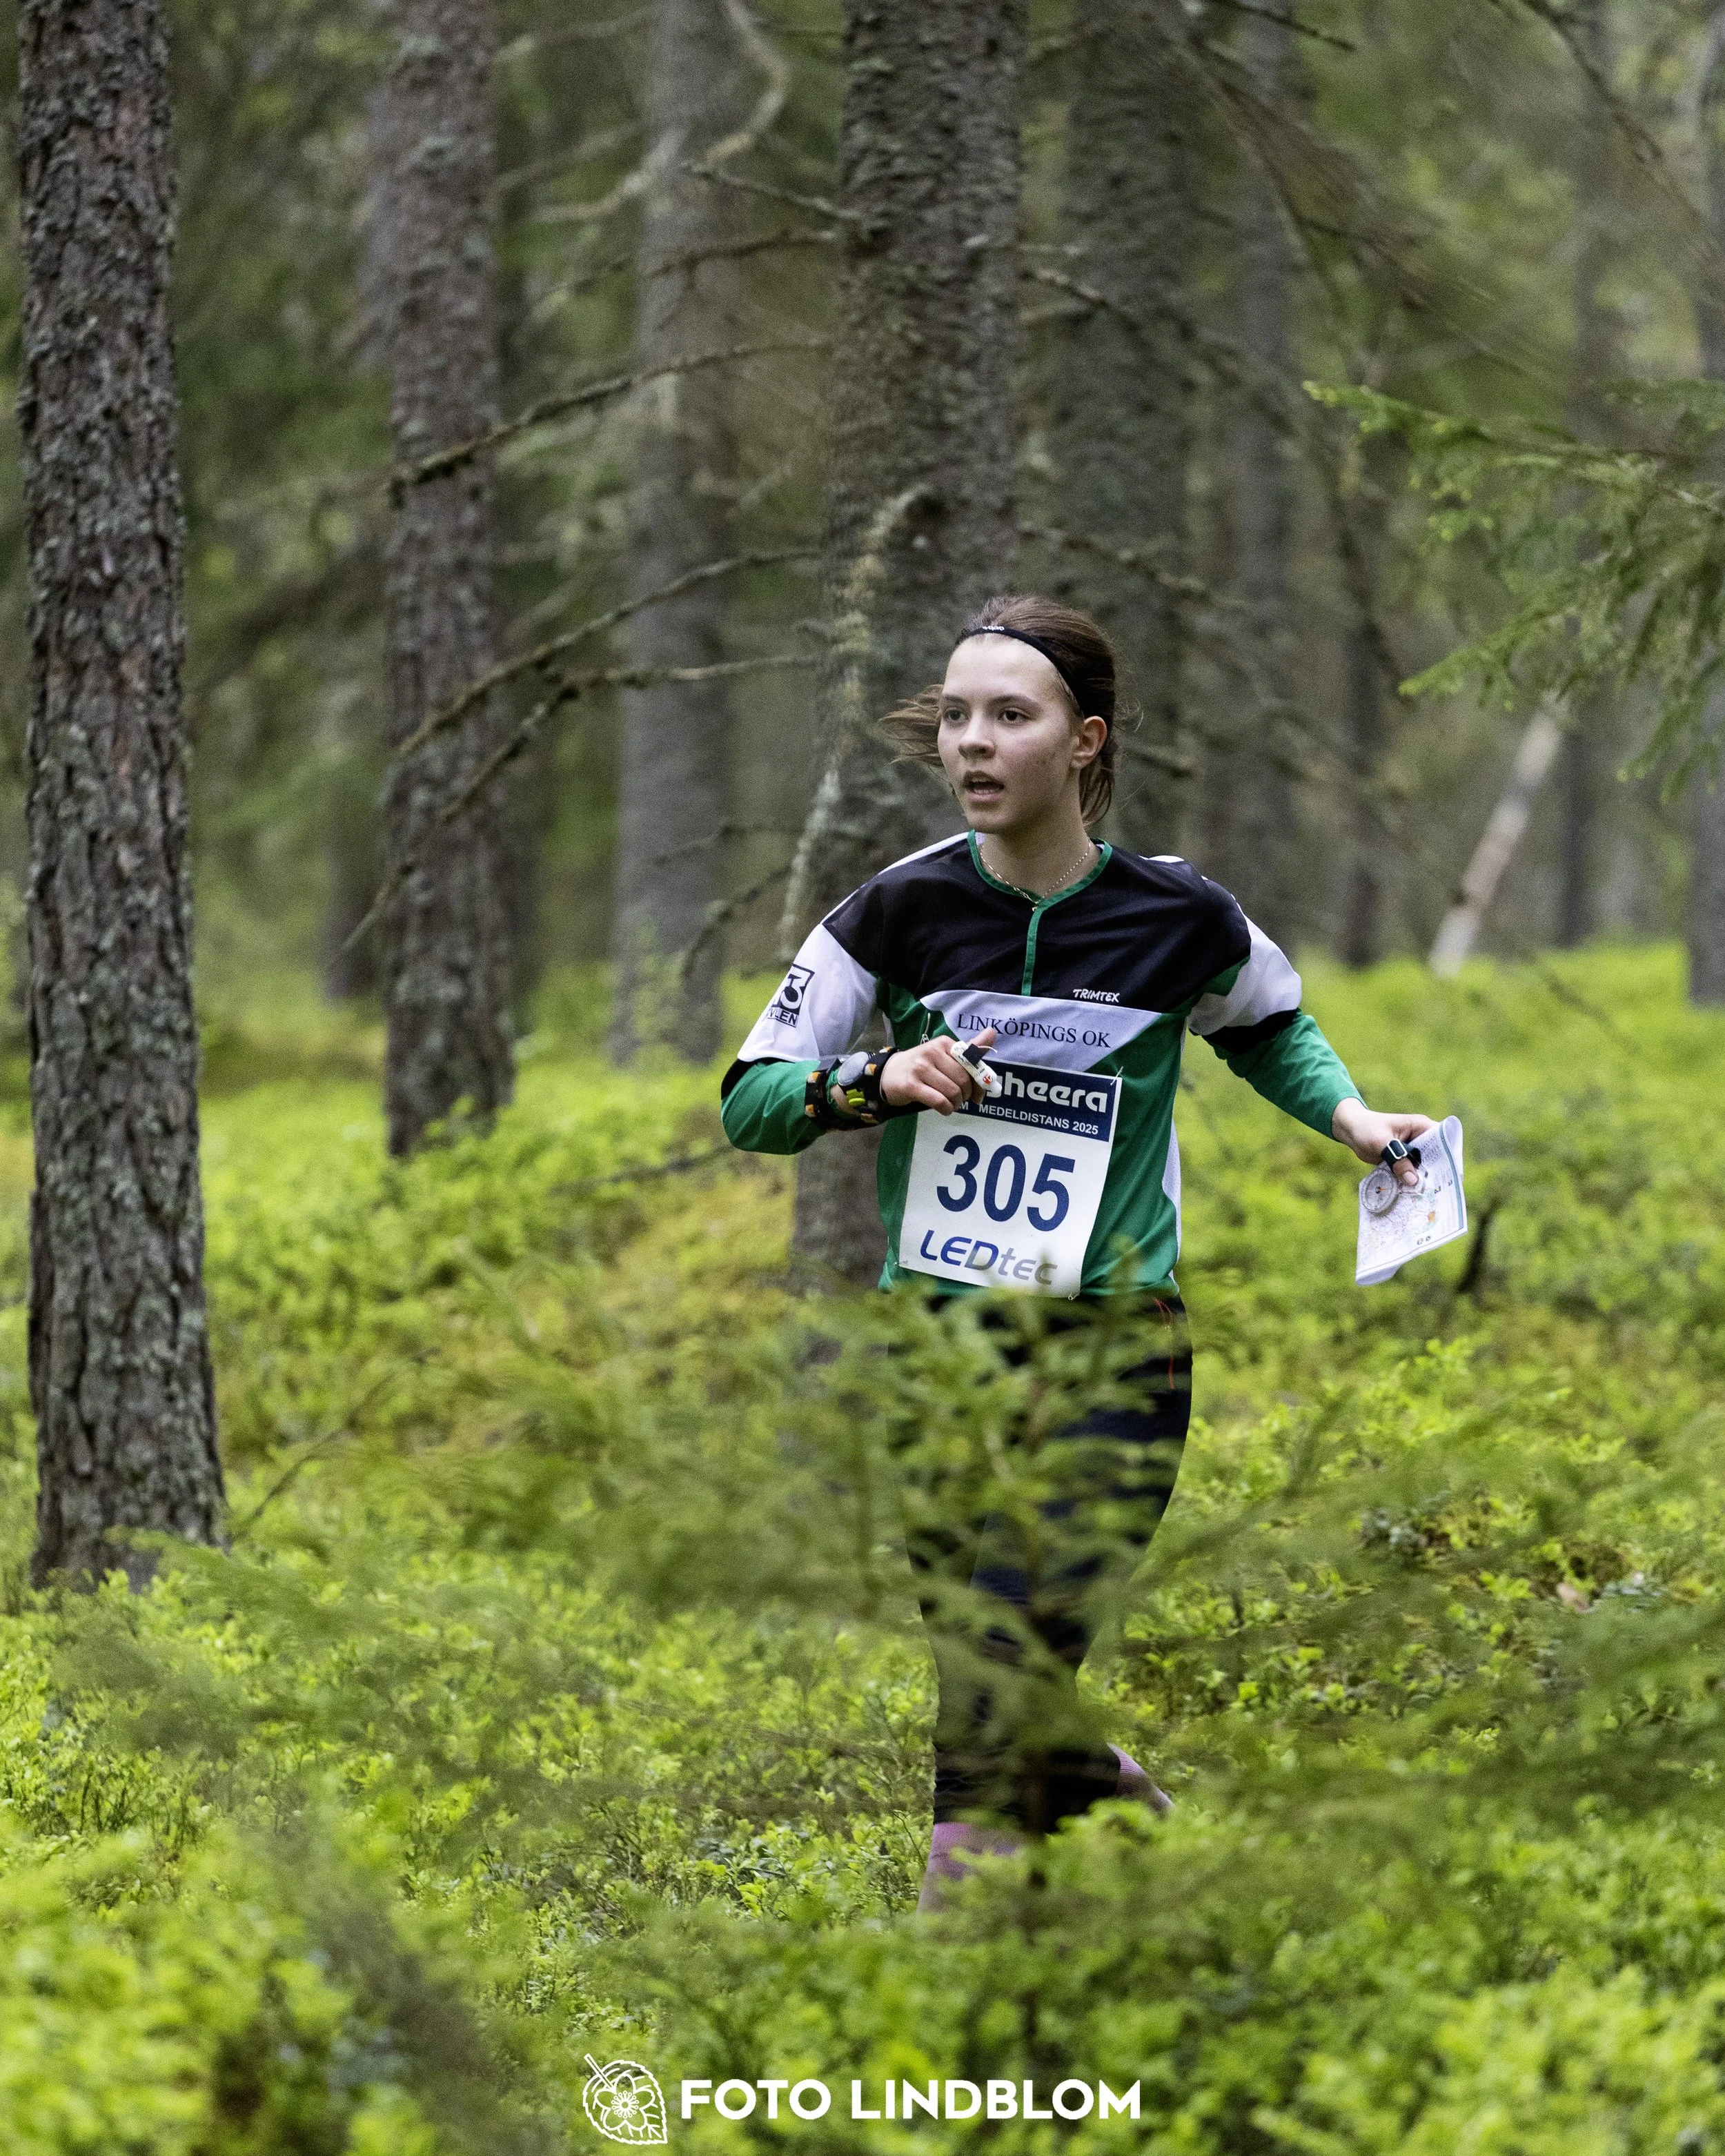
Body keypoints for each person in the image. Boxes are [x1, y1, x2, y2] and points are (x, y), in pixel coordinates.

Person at [720, 594, 1432, 1908]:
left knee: (1000, 1643)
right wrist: (875, 1080)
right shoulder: (892, 913)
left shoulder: (1178, 917)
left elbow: (1267, 1022)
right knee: (985, 1658)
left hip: (1118, 1345)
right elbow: (748, 1097)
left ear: (1085, 742)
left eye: (1010, 716)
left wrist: (1346, 1114)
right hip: (937, 1350)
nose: (971, 744)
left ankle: (960, 1936)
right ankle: (1113, 1810)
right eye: (954, 717)